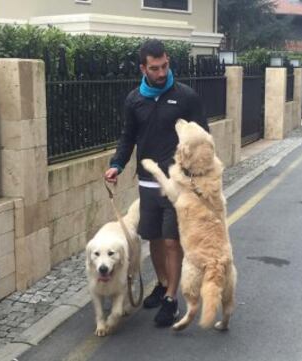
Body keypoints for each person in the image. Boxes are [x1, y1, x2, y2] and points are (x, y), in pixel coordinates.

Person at [104, 39, 208, 327]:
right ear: (143, 68)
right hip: (148, 185)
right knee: (155, 240)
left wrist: (198, 180)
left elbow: (203, 138)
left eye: (164, 66)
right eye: (154, 68)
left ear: (168, 61)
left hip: (179, 186)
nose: (161, 73)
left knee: (173, 241)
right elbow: (128, 137)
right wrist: (116, 165)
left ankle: (172, 299)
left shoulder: (186, 97)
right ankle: (162, 283)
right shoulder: (134, 99)